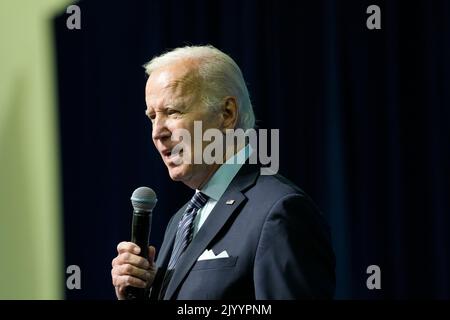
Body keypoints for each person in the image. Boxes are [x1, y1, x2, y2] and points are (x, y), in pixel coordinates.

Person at [111, 45, 335, 299]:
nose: (157, 132)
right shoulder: (180, 220)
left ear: (227, 114)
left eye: (172, 112)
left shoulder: (280, 211)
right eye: (152, 117)